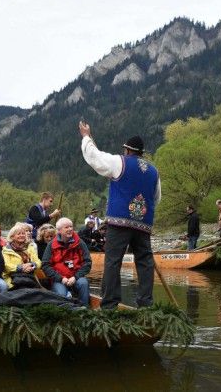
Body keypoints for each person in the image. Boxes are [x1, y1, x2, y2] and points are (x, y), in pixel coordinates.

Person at [79, 121, 160, 309]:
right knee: (145, 263)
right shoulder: (154, 171)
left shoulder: (119, 162)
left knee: (113, 261)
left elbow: (95, 157)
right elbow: (156, 198)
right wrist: (140, 213)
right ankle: (146, 304)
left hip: (119, 222)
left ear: (127, 150)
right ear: (141, 152)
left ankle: (109, 304)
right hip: (143, 225)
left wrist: (86, 137)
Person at [42, 217, 92, 306]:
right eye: (66, 227)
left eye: (71, 227)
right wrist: (61, 278)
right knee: (61, 294)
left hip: (76, 277)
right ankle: (66, 312)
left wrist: (75, 277)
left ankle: (85, 309)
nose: (70, 229)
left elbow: (87, 263)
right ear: (59, 230)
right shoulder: (51, 245)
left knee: (83, 283)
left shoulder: (80, 243)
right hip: (59, 279)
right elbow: (46, 265)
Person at [2, 222, 41, 289]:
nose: (22, 235)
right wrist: (21, 268)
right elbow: (6, 266)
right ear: (12, 237)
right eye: (19, 234)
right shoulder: (6, 250)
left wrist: (32, 266)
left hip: (30, 278)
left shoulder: (30, 248)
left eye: (23, 233)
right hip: (13, 280)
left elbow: (38, 262)